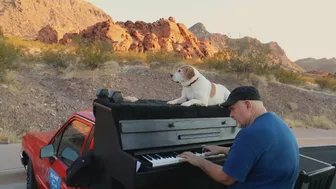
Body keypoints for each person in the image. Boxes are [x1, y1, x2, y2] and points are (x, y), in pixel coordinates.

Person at [178, 86, 300, 189]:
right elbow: (257, 156)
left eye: (232, 109)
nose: (231, 115)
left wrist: (198, 160)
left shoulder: (251, 133)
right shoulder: (277, 123)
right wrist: (222, 149)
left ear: (247, 105)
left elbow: (225, 178)